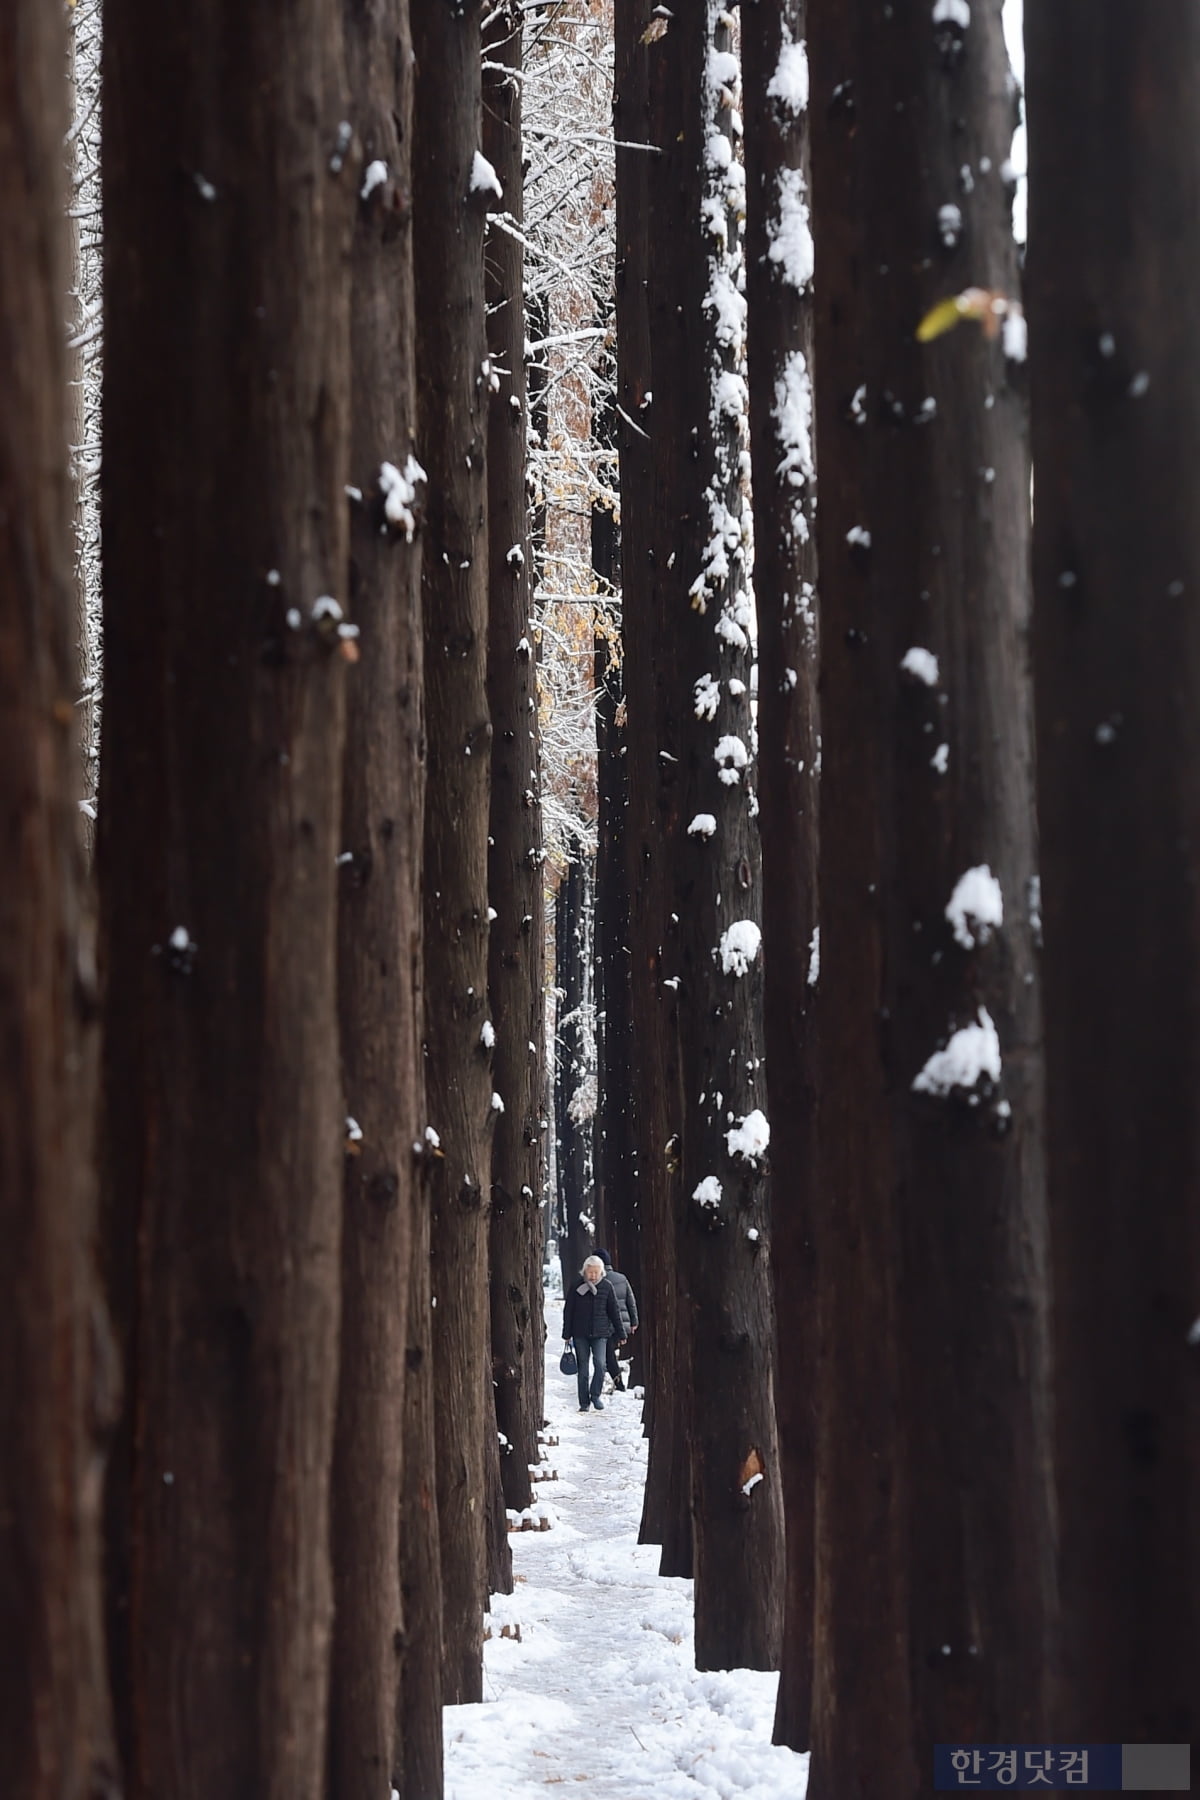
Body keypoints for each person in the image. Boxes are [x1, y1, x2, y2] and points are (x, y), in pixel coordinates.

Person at [562, 1254, 623, 1412]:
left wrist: (621, 1333)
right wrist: (566, 1333)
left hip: (601, 1333)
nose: (593, 1275)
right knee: (583, 1369)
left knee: (600, 1364)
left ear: (601, 1272)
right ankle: (584, 1402)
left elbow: (614, 1311)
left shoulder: (607, 1287)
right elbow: (568, 1311)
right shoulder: (576, 1286)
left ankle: (595, 1394)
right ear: (584, 1272)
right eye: (590, 1272)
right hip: (580, 1333)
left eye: (596, 1272)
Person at [597, 1249, 639, 1390]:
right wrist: (634, 1322)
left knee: (608, 1356)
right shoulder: (621, 1278)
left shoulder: (598, 1280)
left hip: (606, 1324)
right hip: (622, 1323)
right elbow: (630, 1301)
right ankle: (615, 1382)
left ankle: (618, 1384)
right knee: (608, 1354)